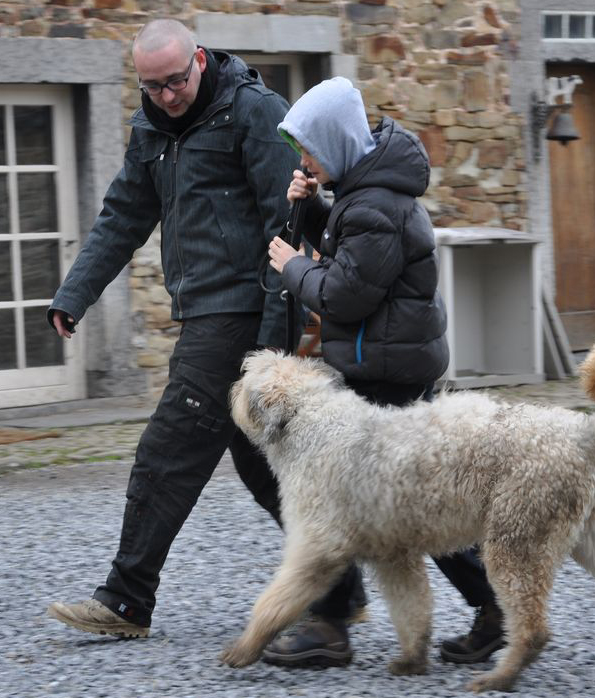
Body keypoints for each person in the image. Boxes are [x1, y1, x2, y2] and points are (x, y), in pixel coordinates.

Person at [45, 19, 368, 642]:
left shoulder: (252, 111)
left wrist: (274, 339)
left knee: (168, 449)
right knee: (261, 464)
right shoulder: (151, 127)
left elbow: (286, 221)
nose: (166, 96)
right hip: (203, 310)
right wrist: (75, 293)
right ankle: (341, 587)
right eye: (152, 86)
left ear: (198, 60)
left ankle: (126, 599)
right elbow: (124, 214)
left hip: (243, 311)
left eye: (175, 81)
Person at [265, 76, 505, 666]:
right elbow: (354, 254)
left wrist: (293, 266)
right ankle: (495, 603)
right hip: (384, 364)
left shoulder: (374, 204)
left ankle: (331, 625)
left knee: (384, 502)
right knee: (413, 502)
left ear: (336, 142)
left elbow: (345, 294)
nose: (305, 162)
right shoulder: (367, 193)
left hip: (384, 374)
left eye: (310, 150)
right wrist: (313, 208)